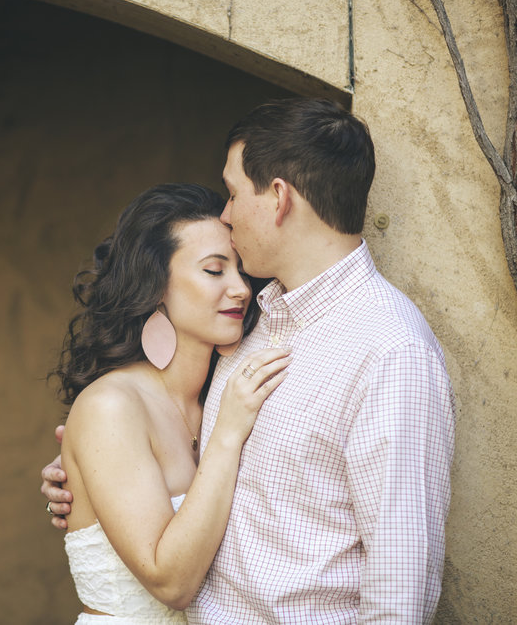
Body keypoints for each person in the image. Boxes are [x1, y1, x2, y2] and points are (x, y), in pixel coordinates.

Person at [43, 98, 456, 623]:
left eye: (234, 193)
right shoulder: (255, 329)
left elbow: (400, 591)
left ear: (278, 198)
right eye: (214, 270)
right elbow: (158, 445)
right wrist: (83, 474)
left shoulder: (391, 350)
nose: (226, 212)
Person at [51, 182, 291, 624]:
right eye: (215, 270)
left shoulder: (224, 393)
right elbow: (172, 584)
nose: (240, 288)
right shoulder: (112, 407)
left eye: (241, 270)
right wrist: (226, 436)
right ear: (157, 285)